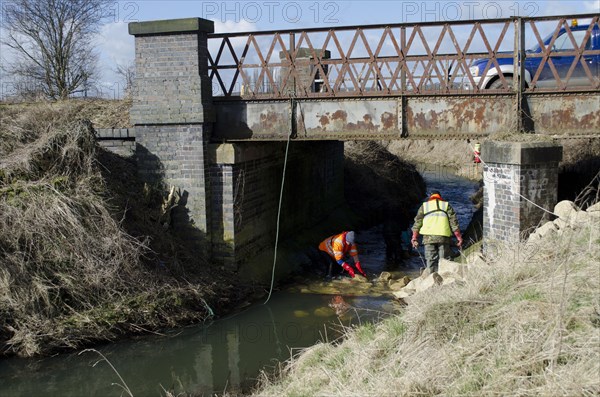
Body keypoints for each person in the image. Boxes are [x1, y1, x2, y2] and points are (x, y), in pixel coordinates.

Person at [411, 190, 463, 273]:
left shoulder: (424, 206)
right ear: (440, 197)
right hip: (443, 236)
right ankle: (444, 277)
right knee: (444, 260)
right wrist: (459, 237)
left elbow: (417, 223)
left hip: (428, 237)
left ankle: (430, 278)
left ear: (430, 197)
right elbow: (454, 223)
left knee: (430, 260)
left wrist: (414, 238)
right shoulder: (446, 205)